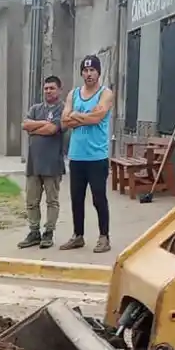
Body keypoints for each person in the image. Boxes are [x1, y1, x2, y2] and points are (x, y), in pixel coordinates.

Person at [61, 54, 115, 254]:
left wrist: (76, 116)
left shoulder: (105, 93)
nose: (89, 74)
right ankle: (78, 235)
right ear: (81, 72)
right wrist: (83, 117)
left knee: (98, 197)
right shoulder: (73, 94)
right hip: (76, 156)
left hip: (96, 157)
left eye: (92, 70)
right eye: (85, 70)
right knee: (76, 198)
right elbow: (64, 121)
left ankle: (104, 236)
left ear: (98, 72)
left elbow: (98, 117)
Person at [18, 75, 67, 249]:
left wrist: (35, 128)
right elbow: (24, 125)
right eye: (46, 88)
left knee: (51, 201)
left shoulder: (63, 109)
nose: (48, 91)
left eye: (52, 88)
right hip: (33, 164)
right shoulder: (35, 108)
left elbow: (52, 128)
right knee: (31, 200)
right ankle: (34, 232)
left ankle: (49, 233)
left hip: (52, 164)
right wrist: (41, 123)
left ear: (59, 90)